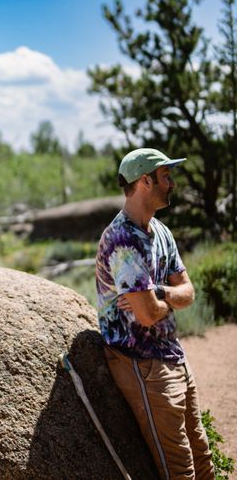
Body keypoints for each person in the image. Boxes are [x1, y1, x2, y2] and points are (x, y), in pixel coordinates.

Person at [95, 148, 214, 480]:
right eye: (166, 176)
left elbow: (188, 293)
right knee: (180, 469)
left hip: (173, 356)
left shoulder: (160, 232)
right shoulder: (121, 241)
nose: (172, 183)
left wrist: (159, 293)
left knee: (202, 456)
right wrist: (159, 302)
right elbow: (146, 316)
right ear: (145, 181)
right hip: (143, 364)